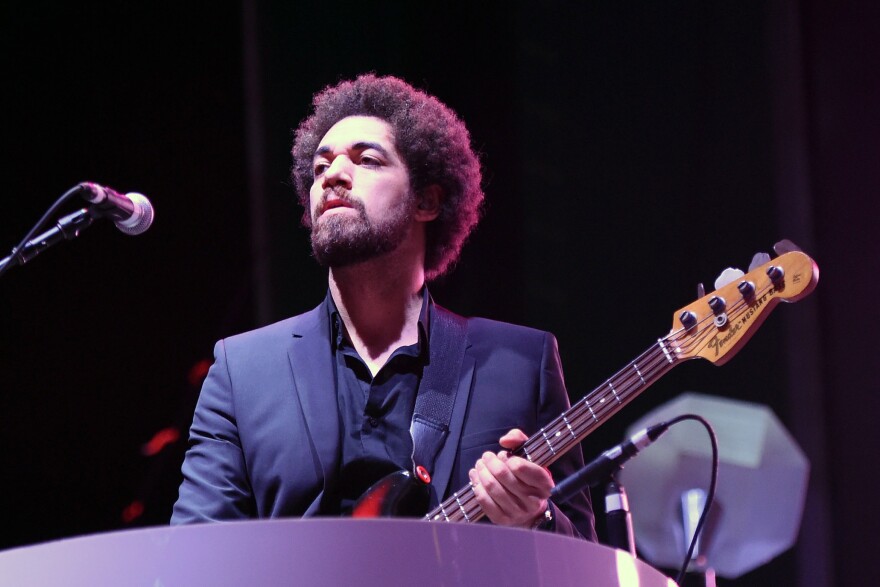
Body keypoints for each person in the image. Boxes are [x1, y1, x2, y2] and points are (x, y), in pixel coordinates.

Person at [171, 74, 595, 539]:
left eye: (367, 159)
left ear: (427, 200)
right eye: (319, 167)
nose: (332, 175)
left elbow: (583, 560)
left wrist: (536, 518)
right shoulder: (243, 369)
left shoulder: (520, 364)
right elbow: (194, 555)